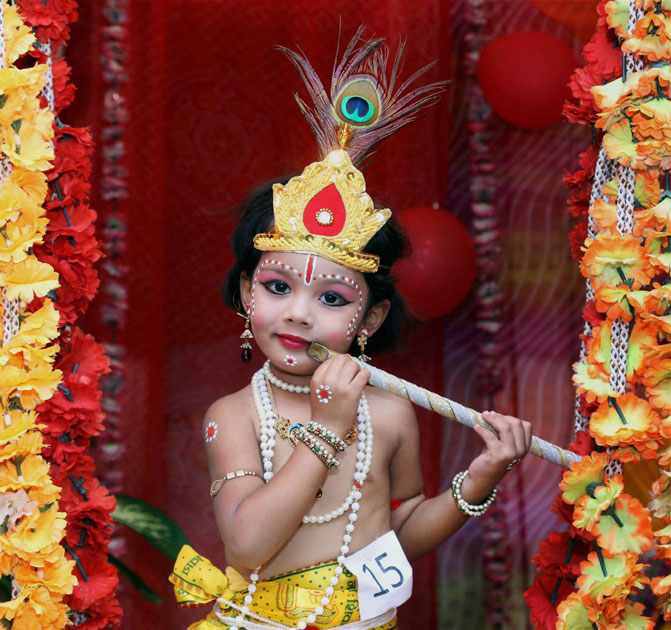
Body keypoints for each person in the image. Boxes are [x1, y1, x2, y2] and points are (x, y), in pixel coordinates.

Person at [170, 30, 532, 630]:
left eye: (332, 298)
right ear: (244, 293)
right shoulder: (235, 415)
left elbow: (395, 538)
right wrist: (328, 427)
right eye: (277, 287)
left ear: (369, 319)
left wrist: (478, 480)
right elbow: (247, 546)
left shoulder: (388, 414)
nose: (299, 314)